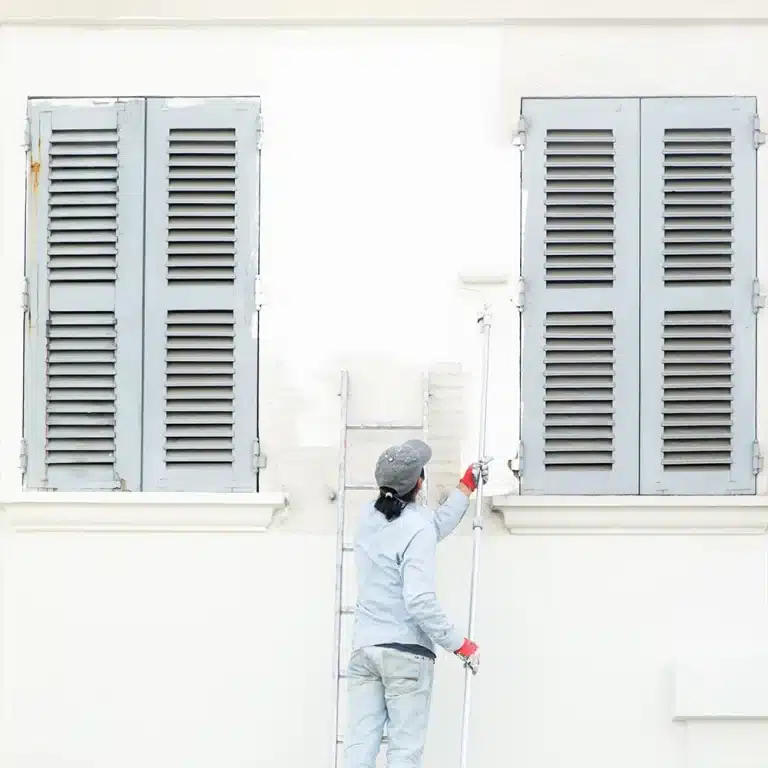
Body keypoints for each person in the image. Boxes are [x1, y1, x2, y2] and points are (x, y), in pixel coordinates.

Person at [344, 438, 488, 768]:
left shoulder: (367, 516)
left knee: (358, 749)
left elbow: (429, 528)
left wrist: (465, 489)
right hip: (406, 655)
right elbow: (420, 600)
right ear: (419, 483)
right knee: (404, 753)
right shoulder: (417, 526)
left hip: (365, 650)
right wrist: (460, 645)